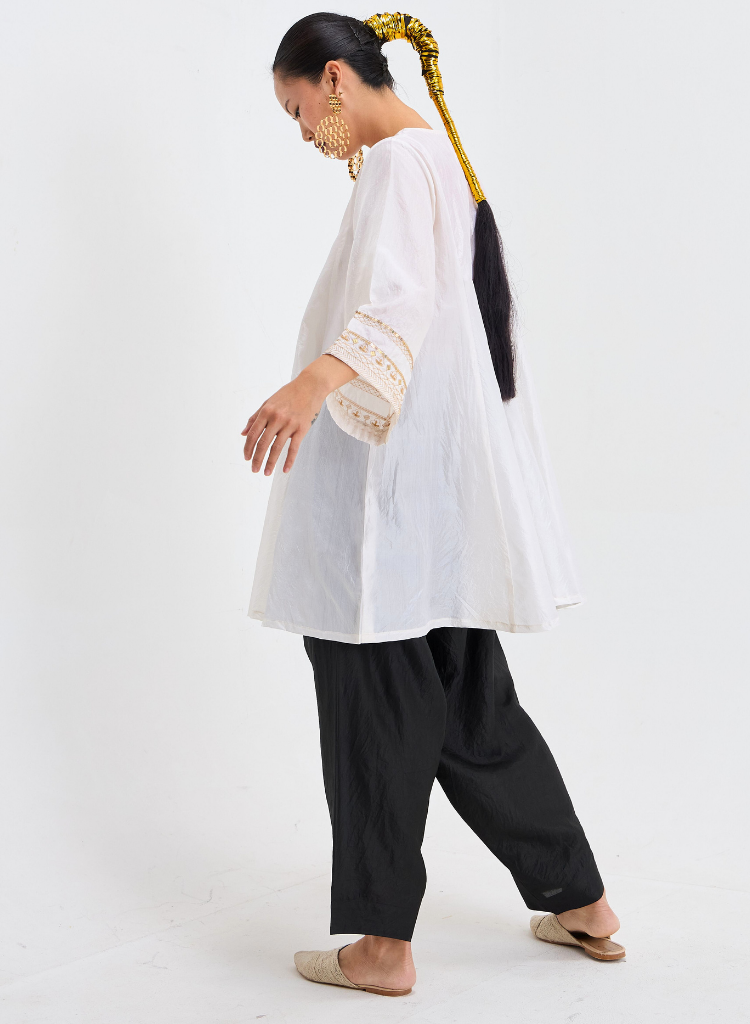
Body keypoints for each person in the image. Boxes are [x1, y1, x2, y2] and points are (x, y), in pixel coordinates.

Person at [242, 11, 625, 998]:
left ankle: (381, 949)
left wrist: (310, 384)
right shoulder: (431, 161)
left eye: (297, 108)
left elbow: (399, 304)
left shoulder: (399, 163)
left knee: (374, 705)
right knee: (468, 707)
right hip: (430, 508)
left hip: (385, 509)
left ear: (335, 79)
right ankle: (581, 900)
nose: (301, 132)